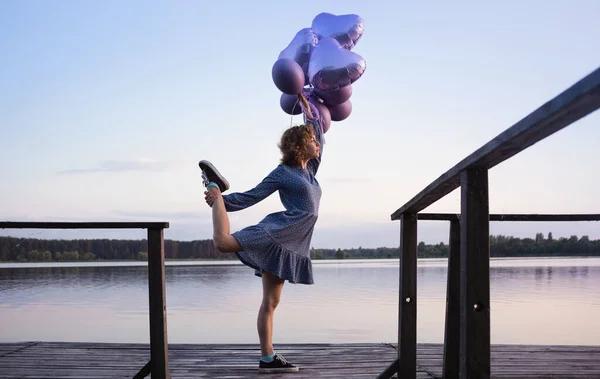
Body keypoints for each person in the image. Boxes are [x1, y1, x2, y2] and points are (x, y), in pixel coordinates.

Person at [199, 94, 324, 374]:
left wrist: (309, 111)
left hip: (293, 242)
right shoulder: (283, 173)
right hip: (278, 234)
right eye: (312, 140)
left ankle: (267, 358)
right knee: (223, 243)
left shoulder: (311, 171)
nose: (317, 142)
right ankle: (213, 185)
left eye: (316, 140)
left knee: (271, 301)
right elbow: (253, 196)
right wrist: (222, 201)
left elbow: (322, 136)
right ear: (301, 146)